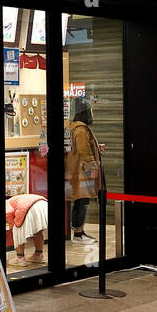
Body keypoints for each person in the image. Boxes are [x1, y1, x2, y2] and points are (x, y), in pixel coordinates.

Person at [65, 98, 104, 243]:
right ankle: (78, 233)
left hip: (76, 170)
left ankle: (79, 231)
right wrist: (93, 167)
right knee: (82, 201)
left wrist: (97, 148)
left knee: (80, 200)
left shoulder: (73, 127)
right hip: (82, 172)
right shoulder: (81, 130)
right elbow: (83, 151)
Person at [6, 193, 48, 265]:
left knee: (17, 232)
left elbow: (8, 212)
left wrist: (12, 226)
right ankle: (38, 255)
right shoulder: (16, 198)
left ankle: (20, 258)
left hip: (27, 208)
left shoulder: (6, 202)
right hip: (44, 204)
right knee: (38, 232)